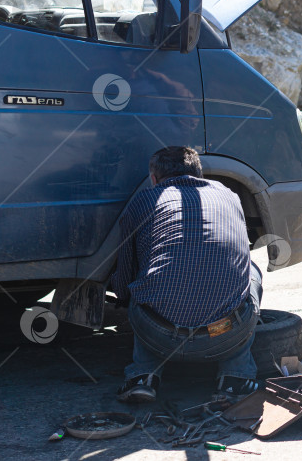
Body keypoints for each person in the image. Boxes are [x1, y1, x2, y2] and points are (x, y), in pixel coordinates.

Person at [109, 146, 262, 403]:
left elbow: (124, 281)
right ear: (200, 174)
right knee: (251, 272)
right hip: (222, 333)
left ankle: (142, 376)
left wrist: (126, 298)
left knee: (139, 285)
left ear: (154, 178)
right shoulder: (230, 195)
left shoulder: (144, 200)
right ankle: (235, 378)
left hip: (158, 333)